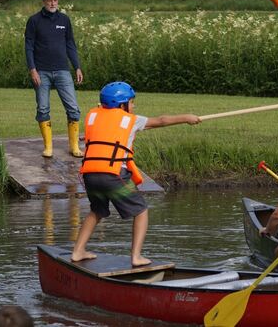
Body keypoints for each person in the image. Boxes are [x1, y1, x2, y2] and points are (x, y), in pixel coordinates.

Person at [71, 81, 201, 265]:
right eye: (132, 102)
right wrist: (187, 117)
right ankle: (136, 256)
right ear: (122, 105)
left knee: (96, 211)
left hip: (90, 175)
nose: (134, 106)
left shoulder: (93, 116)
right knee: (141, 210)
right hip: (113, 175)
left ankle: (78, 251)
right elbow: (162, 121)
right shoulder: (131, 119)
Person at [25, 0, 84, 159]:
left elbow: (70, 45)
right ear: (44, 1)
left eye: (55, 1)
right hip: (41, 71)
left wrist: (77, 66)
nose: (53, 3)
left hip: (62, 71)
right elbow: (28, 47)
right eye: (50, 0)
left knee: (73, 108)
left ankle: (74, 147)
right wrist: (32, 69)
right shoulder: (34, 21)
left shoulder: (64, 20)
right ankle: (48, 147)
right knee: (43, 108)